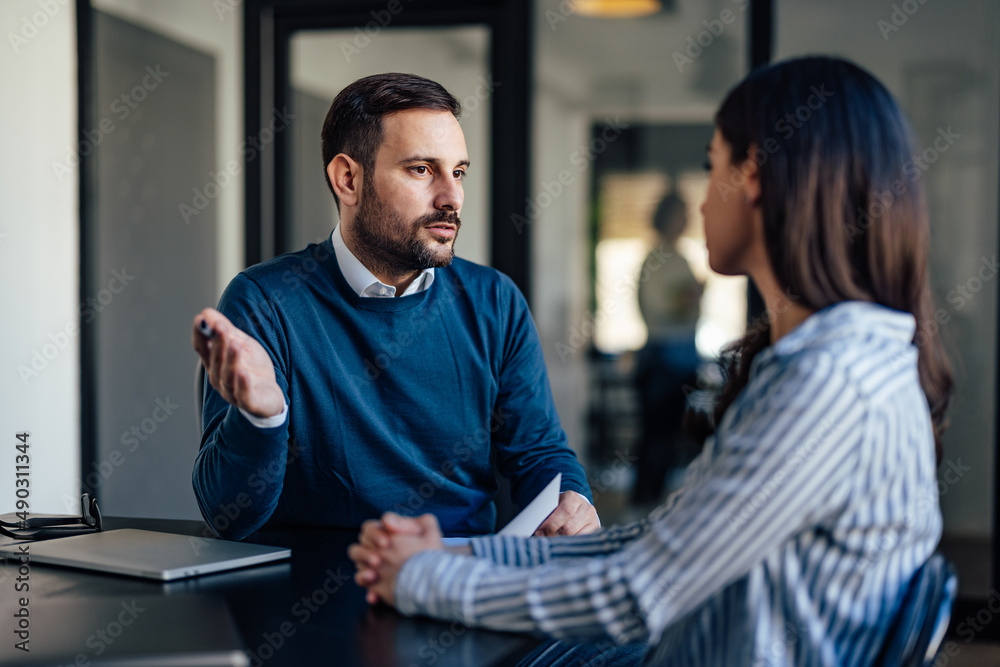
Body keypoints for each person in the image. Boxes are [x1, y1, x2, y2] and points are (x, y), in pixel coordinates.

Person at [348, 56, 954, 665]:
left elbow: (641, 591)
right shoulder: (832, 360)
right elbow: (656, 545)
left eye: (709, 164)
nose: (698, 205)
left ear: (754, 180)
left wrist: (423, 578)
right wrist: (455, 557)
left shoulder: (828, 382)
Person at [191, 73, 599, 541]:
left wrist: (573, 497)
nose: (451, 197)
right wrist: (262, 420)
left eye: (459, 171)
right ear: (348, 179)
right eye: (422, 170)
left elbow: (539, 452)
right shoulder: (265, 301)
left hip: (457, 583)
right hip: (312, 589)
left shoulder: (495, 300)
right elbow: (227, 516)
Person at [632, 193, 703, 505]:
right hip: (663, 358)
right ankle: (644, 503)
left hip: (684, 356)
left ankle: (654, 502)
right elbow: (660, 308)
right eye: (681, 213)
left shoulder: (680, 256)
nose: (687, 218)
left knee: (671, 436)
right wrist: (688, 297)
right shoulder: (656, 258)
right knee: (657, 437)